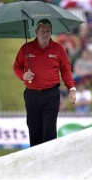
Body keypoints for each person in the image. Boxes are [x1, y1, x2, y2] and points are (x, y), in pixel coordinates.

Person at [13, 19, 76, 147]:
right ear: (36, 31)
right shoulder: (26, 48)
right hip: (32, 94)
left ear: (51, 32)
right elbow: (16, 67)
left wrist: (72, 89)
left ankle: (50, 160)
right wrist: (23, 75)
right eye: (42, 31)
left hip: (51, 94)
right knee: (34, 128)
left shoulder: (58, 49)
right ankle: (36, 161)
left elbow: (66, 70)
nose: (45, 34)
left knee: (49, 129)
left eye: (48, 31)